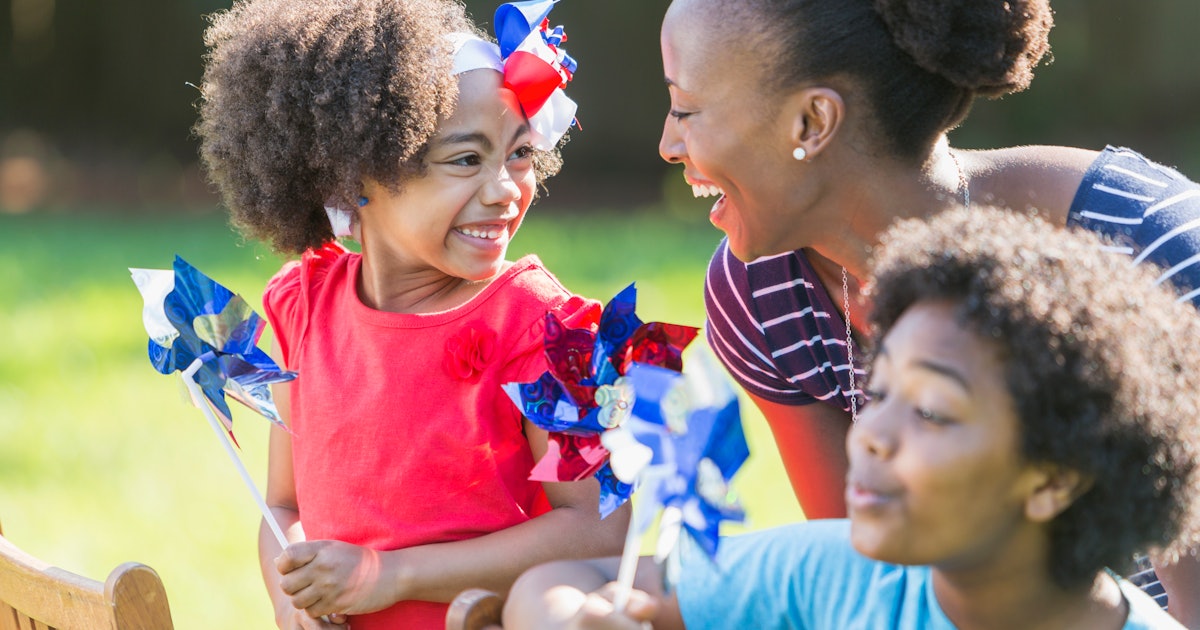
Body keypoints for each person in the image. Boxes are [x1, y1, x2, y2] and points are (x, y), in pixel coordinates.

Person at [657, 0, 1200, 618]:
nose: (668, 144)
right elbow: (871, 583)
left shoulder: (1153, 249)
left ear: (812, 121)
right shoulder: (757, 296)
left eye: (686, 109)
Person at [501, 207, 1200, 629]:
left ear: (1053, 479)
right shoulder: (840, 577)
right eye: (880, 391)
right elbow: (563, 583)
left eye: (929, 410)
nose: (869, 432)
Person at [193, 0, 628, 628]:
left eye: (520, 154)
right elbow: (283, 509)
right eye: (465, 159)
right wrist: (296, 605)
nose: (505, 187)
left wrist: (390, 576)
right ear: (354, 178)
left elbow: (601, 528)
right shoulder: (303, 307)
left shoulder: (541, 326)